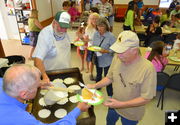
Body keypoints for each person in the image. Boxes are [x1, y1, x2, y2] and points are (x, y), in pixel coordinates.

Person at [87, 31, 157, 125]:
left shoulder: (147, 69)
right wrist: (94, 85)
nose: (118, 55)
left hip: (131, 112)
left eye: (122, 51)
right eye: (117, 50)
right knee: (109, 122)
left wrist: (121, 104)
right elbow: (109, 77)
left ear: (135, 50)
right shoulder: (117, 58)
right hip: (114, 103)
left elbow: (146, 98)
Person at [0, 64, 90, 125]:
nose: (39, 86)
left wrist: (38, 83)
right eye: (36, 87)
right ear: (24, 94)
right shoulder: (21, 119)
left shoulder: (3, 81)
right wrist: (78, 109)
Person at [32, 11, 71, 83]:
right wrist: (44, 76)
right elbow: (38, 59)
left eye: (66, 28)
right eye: (61, 27)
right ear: (54, 23)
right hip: (51, 74)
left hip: (66, 70)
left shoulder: (62, 30)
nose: (64, 30)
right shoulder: (45, 34)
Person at [92, 17, 116, 96]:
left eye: (102, 26)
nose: (99, 28)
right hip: (98, 58)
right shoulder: (95, 34)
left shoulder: (111, 36)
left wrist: (106, 51)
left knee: (107, 77)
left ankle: (110, 95)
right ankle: (97, 89)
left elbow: (115, 49)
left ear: (106, 26)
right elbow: (93, 45)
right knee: (98, 75)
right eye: (98, 26)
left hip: (107, 60)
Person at [85, 12, 100, 80]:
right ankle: (91, 73)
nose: (94, 20)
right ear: (90, 20)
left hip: (99, 47)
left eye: (96, 19)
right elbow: (86, 39)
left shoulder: (100, 27)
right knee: (92, 61)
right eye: (93, 19)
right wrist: (86, 39)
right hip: (91, 47)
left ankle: (98, 74)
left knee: (99, 61)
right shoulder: (88, 28)